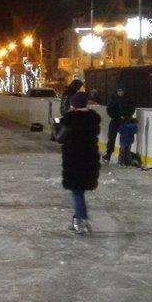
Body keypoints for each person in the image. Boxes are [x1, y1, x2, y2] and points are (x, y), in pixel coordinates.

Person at [56, 91, 100, 234]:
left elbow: (60, 138)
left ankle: (79, 221)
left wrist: (57, 125)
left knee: (77, 191)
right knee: (79, 191)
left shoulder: (69, 119)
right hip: (89, 159)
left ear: (73, 104)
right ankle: (80, 219)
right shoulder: (92, 119)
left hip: (74, 159)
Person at [103, 86, 135, 163]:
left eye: (122, 91)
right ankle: (108, 154)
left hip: (125, 121)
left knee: (125, 140)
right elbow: (109, 109)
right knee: (111, 138)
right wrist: (115, 116)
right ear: (116, 92)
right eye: (119, 91)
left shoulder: (128, 99)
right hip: (115, 120)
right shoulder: (113, 99)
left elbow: (132, 109)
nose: (120, 92)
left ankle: (123, 157)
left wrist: (127, 116)